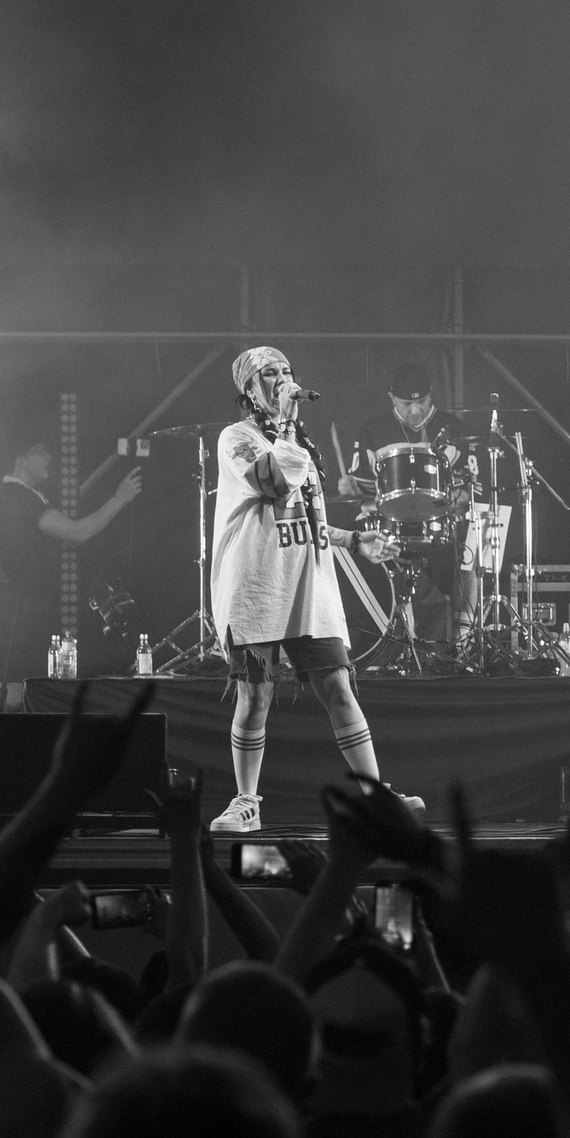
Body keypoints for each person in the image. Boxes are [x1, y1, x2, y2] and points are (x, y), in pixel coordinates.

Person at [211, 347, 407, 835]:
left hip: (307, 587)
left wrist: (354, 540)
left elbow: (309, 517)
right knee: (255, 696)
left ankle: (375, 799)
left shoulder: (299, 443)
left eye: (286, 372)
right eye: (268, 375)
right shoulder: (237, 438)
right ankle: (245, 803)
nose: (281, 380)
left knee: (338, 687)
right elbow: (273, 484)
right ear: (248, 391)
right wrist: (286, 427)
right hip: (256, 585)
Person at [337, 361, 477, 651]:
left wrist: (460, 498)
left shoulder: (454, 428)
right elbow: (360, 497)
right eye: (406, 404)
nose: (415, 411)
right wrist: (350, 489)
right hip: (388, 530)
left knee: (472, 549)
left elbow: (474, 487)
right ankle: (390, 644)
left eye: (422, 402)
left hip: (443, 527)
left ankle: (463, 644)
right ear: (391, 398)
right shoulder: (372, 431)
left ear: (431, 395)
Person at [0, 439, 143, 676]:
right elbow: (78, 532)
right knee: (17, 689)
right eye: (41, 452)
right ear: (21, 460)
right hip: (17, 613)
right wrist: (120, 498)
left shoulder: (24, 495)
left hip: (24, 609)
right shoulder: (16, 495)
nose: (49, 458)